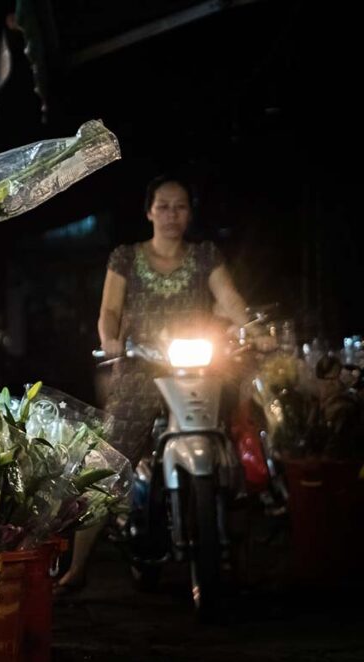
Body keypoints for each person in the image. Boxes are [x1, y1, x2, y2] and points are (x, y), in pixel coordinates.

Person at [55, 174, 251, 594]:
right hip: (140, 369)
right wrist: (110, 339)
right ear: (148, 212)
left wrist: (251, 326)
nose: (171, 215)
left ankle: (231, 529)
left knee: (233, 435)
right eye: (163, 206)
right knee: (106, 461)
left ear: (190, 213)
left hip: (197, 369)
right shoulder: (125, 258)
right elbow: (110, 310)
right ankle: (77, 568)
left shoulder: (205, 256)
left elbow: (230, 299)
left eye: (180, 206)